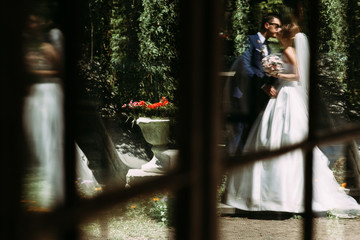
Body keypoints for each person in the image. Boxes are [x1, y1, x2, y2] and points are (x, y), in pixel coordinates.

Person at [224, 23, 360, 217]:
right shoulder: (287, 49)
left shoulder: (288, 51)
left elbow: (297, 75)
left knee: (282, 133)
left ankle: (279, 197)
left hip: (287, 93)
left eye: (279, 31)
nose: (276, 33)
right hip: (285, 93)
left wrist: (277, 74)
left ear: (285, 36)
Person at [22, 12, 100, 209]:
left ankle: (64, 187)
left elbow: (57, 68)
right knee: (42, 140)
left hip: (49, 92)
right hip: (38, 95)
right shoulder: (35, 43)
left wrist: (32, 69)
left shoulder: (48, 42)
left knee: (54, 140)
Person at [225, 14, 282, 155]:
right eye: (277, 26)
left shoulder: (268, 46)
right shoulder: (249, 40)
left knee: (250, 133)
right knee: (236, 132)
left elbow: (263, 69)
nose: (279, 29)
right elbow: (244, 66)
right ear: (267, 25)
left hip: (256, 98)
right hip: (242, 93)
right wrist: (262, 85)